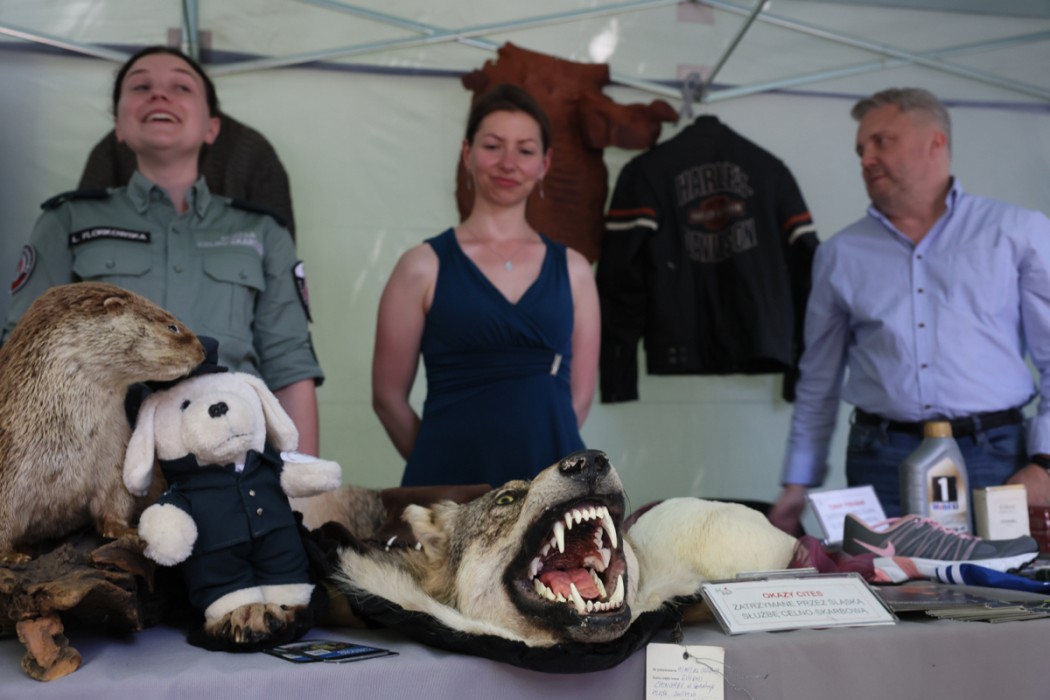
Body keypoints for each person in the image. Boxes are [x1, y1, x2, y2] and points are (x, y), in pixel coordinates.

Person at [2, 46, 323, 454]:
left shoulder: (263, 230)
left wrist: (299, 476)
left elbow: (290, 368)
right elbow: (24, 354)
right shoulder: (66, 220)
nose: (159, 94)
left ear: (211, 128)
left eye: (181, 87)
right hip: (101, 464)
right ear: (119, 127)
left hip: (235, 464)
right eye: (141, 87)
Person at [769, 87, 1050, 535]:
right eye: (861, 150)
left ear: (936, 142)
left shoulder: (1018, 232)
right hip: (881, 458)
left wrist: (1045, 463)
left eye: (881, 141)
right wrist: (797, 482)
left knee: (1003, 578)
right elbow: (818, 376)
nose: (866, 159)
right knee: (886, 578)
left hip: (996, 457)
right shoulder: (839, 254)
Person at [372, 83, 600, 487]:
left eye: (525, 150)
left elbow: (580, 399)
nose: (508, 163)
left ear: (544, 163)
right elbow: (388, 399)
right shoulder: (421, 267)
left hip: (549, 491)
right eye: (493, 146)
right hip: (450, 496)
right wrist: (439, 469)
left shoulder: (575, 270)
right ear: (467, 154)